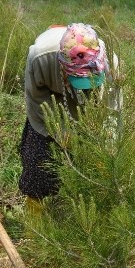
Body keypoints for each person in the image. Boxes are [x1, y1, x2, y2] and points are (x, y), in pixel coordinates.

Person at [19, 23, 119, 207]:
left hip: (92, 106)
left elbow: (113, 110)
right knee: (38, 162)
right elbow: (37, 102)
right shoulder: (40, 58)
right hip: (51, 99)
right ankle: (35, 215)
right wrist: (62, 135)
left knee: (95, 165)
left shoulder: (110, 64)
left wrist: (107, 146)